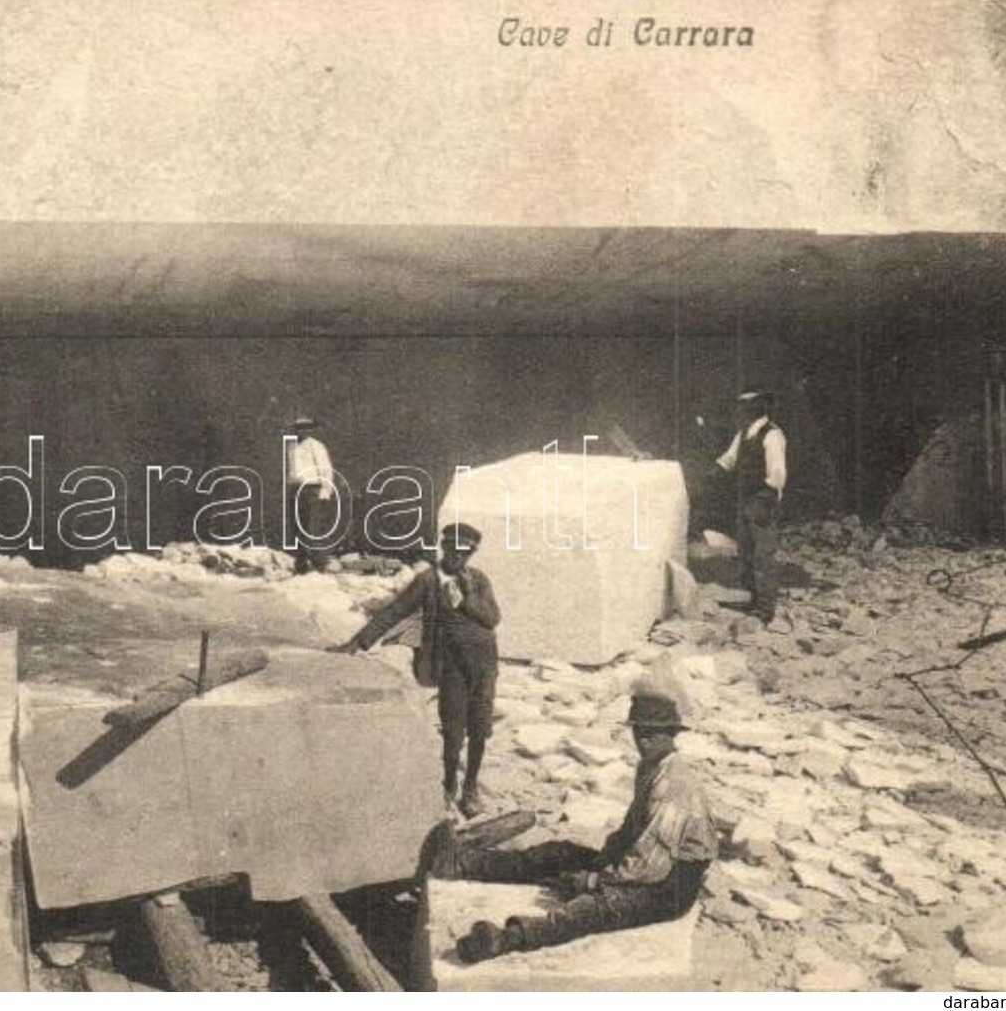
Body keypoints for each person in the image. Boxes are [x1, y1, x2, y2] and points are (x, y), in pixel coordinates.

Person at [434, 678, 716, 963]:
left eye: (654, 733)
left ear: (671, 734)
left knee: (593, 908)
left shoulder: (674, 785)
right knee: (560, 853)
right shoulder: (651, 767)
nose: (644, 740)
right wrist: (602, 861)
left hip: (668, 888)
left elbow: (649, 866)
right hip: (643, 867)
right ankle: (463, 864)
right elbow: (630, 830)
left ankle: (504, 940)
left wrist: (595, 880)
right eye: (640, 731)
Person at [330, 522, 500, 818]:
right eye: (452, 550)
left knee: (480, 729)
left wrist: (469, 596)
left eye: (464, 552)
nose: (457, 557)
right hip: (451, 667)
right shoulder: (428, 580)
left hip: (484, 664)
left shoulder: (478, 580)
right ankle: (449, 786)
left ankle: (470, 789)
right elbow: (395, 611)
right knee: (452, 732)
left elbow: (492, 619)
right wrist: (359, 641)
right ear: (443, 548)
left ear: (470, 554)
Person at [715, 390, 787, 622]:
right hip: (746, 499)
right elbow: (728, 460)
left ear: (756, 409)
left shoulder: (772, 435)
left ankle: (766, 609)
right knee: (746, 551)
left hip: (762, 499)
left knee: (763, 555)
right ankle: (753, 600)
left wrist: (767, 498)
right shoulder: (744, 433)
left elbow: (777, 472)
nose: (739, 412)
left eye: (744, 407)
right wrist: (710, 474)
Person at [285, 417, 338, 573]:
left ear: (311, 430)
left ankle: (319, 565)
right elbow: (292, 470)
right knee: (297, 527)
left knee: (312, 528)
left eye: (307, 428)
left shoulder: (316, 446)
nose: (303, 431)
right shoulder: (291, 445)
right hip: (296, 490)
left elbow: (326, 469)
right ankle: (301, 565)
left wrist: (325, 491)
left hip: (312, 489)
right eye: (300, 428)